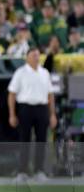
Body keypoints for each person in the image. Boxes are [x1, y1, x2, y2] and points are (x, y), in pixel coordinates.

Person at [8, 47, 56, 181]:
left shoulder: (44, 72)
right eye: (33, 55)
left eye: (37, 55)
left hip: (42, 108)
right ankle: (22, 171)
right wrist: (12, 114)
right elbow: (12, 94)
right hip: (25, 108)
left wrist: (52, 114)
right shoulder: (20, 72)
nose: (36, 58)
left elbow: (50, 95)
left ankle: (39, 170)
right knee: (25, 140)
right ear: (27, 57)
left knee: (42, 140)